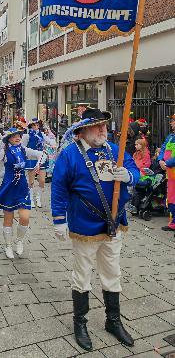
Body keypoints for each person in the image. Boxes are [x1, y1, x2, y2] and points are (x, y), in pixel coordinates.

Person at [51, 108, 140, 351]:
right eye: (97, 126)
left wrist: (129, 176)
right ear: (83, 131)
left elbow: (136, 172)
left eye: (105, 126)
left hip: (114, 223)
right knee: (82, 275)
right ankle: (80, 322)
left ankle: (113, 321)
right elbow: (59, 187)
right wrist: (59, 218)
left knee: (112, 272)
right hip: (85, 225)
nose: (104, 130)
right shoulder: (70, 154)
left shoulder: (114, 150)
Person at [0, 127, 46, 259]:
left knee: (25, 216)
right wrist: (6, 176)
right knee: (8, 217)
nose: (18, 137)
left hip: (22, 186)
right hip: (9, 186)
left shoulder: (24, 149)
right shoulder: (3, 152)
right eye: (14, 136)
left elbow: (41, 154)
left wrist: (38, 165)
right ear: (8, 138)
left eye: (19, 135)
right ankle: (8, 245)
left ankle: (19, 240)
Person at [22, 118, 51, 208]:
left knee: (42, 180)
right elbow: (23, 147)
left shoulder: (42, 134)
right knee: (31, 181)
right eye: (34, 125)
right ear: (31, 126)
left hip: (41, 158)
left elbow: (50, 141)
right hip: (31, 158)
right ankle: (30, 198)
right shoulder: (27, 135)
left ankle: (38, 198)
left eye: (37, 124)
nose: (36, 126)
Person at [158, 114, 175, 232]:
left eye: (173, 121)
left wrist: (167, 163)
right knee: (171, 198)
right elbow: (163, 148)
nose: (171, 123)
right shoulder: (170, 136)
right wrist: (160, 160)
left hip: (171, 169)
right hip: (170, 174)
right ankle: (173, 222)